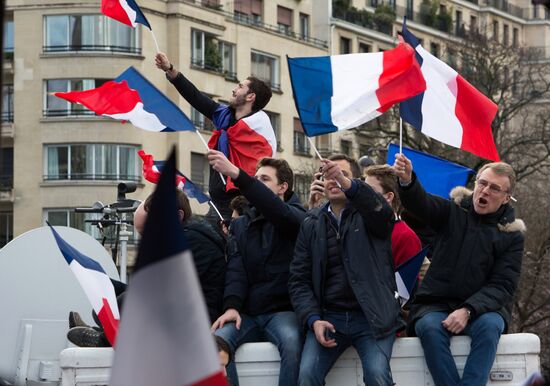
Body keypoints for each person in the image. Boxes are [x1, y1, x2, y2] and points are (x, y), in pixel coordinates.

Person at [393, 154, 525, 386]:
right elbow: (421, 203)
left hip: (484, 310)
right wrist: (407, 181)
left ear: (506, 199)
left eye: (494, 188)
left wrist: (468, 310)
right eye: (482, 183)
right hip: (435, 304)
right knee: (428, 328)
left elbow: (503, 285)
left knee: (490, 327)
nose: (484, 191)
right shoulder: (451, 211)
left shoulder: (511, 235)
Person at [289, 155, 404, 386]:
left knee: (377, 375)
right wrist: (313, 320)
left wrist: (345, 181)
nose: (332, 180)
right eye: (327, 176)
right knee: (307, 376)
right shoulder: (311, 222)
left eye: (340, 174)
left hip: (372, 317)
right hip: (329, 318)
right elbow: (298, 280)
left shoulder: (371, 215)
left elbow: (382, 212)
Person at [67, 190, 226, 347]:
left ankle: (102, 340)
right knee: (113, 292)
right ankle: (102, 331)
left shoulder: (194, 242)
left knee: (124, 302)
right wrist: (108, 285)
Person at [207, 149, 306, 386]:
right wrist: (231, 307)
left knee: (292, 343)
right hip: (248, 314)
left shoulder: (298, 217)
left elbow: (277, 210)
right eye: (256, 178)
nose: (257, 184)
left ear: (283, 187)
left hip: (284, 312)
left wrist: (237, 174)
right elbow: (236, 270)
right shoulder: (241, 225)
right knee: (216, 342)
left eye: (264, 179)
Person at [155, 52, 276, 222]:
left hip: (242, 204)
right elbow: (196, 97)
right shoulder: (224, 116)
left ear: (250, 96)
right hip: (217, 201)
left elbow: (258, 172)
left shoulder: (259, 129)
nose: (234, 89)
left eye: (240, 86)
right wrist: (170, 70)